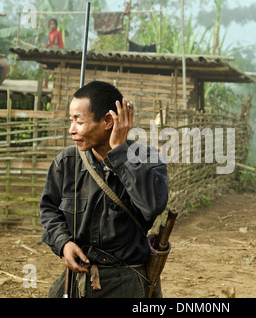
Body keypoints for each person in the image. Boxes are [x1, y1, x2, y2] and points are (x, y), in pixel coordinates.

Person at [40, 81, 169, 298]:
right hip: (76, 280)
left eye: (79, 121)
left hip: (126, 282)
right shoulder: (66, 162)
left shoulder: (147, 159)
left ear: (108, 121)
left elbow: (152, 207)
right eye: (71, 120)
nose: (72, 130)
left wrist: (119, 152)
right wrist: (63, 243)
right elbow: (49, 210)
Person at [43, 18, 64, 88]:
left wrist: (62, 51)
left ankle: (56, 85)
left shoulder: (58, 33)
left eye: (53, 24)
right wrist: (45, 48)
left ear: (56, 25)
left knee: (56, 68)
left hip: (56, 52)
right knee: (46, 67)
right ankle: (46, 84)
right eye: (50, 24)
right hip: (50, 51)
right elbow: (49, 43)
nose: (52, 26)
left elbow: (61, 43)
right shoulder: (49, 34)